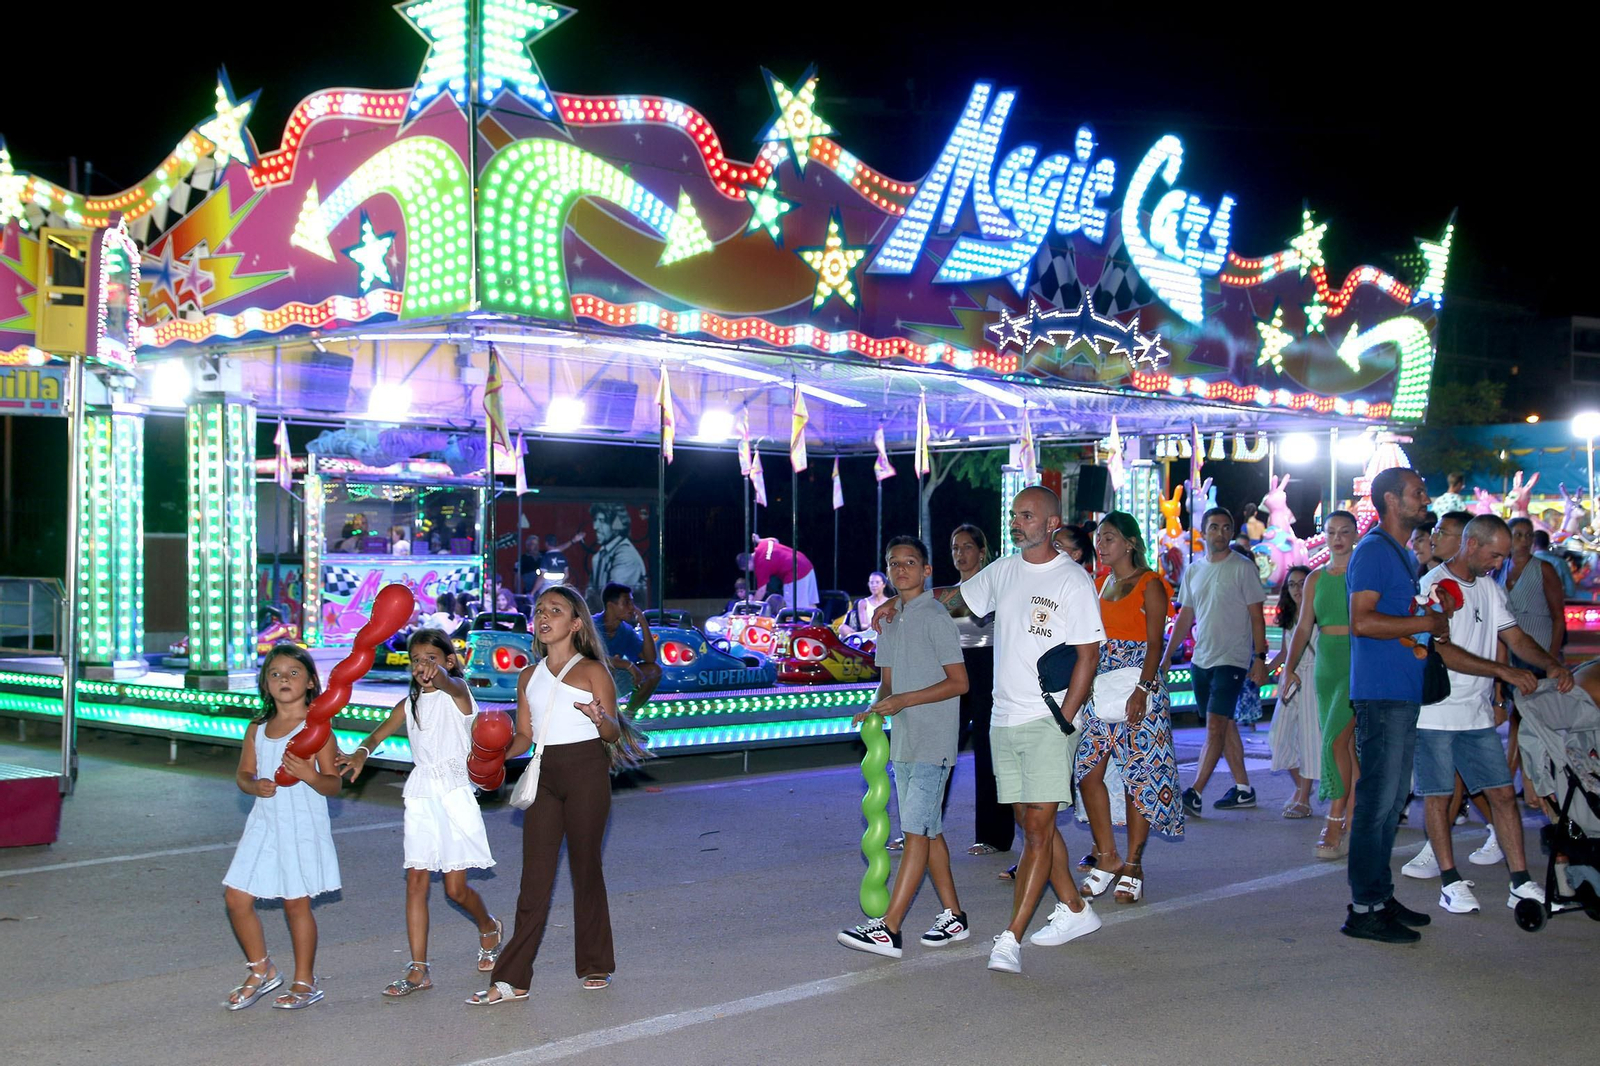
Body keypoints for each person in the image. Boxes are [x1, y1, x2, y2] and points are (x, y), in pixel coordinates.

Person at [881, 487, 1103, 974]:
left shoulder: (1073, 581)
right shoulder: (1003, 569)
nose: (1017, 522)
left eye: (1026, 515)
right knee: (1028, 821)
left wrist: (1066, 716)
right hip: (1004, 718)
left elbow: (1089, 655)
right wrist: (900, 604)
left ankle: (1010, 938)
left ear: (1050, 523)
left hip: (1048, 720)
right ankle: (1078, 910)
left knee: (1039, 830)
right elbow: (954, 600)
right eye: (1013, 515)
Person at [469, 587, 650, 1003]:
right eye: (539, 610)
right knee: (534, 879)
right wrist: (487, 753)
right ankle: (511, 979)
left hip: (586, 771)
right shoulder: (528, 676)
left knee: (586, 870)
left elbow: (610, 733)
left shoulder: (592, 671)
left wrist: (601, 718)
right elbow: (525, 737)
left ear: (575, 624)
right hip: (545, 775)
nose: (544, 616)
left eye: (556, 610)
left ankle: (595, 963)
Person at [1408, 515, 1568, 914]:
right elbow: (1440, 650)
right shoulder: (1433, 586)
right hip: (1436, 713)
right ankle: (1449, 882)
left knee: (1501, 793)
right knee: (1438, 797)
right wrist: (1502, 671)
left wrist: (1550, 664)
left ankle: (1520, 881)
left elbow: (1514, 637)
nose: (1500, 562)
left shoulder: (1489, 588)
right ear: (1473, 544)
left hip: (1476, 713)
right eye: (1496, 554)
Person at [336, 630, 501, 995]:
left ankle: (489, 926)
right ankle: (419, 970)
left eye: (431, 658)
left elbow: (448, 683)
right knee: (416, 881)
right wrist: (361, 752)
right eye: (416, 660)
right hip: (423, 793)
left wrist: (438, 675)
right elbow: (377, 735)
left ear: (449, 661)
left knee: (456, 890)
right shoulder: (408, 704)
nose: (423, 666)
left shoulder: (458, 692)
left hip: (454, 792)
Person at [837, 536, 970, 957]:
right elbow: (889, 683)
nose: (901, 569)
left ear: (927, 570)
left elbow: (959, 682)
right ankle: (954, 915)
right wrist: (875, 707)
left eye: (910, 562)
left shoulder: (935, 617)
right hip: (904, 741)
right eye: (894, 563)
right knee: (928, 829)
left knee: (915, 831)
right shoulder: (889, 620)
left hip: (933, 738)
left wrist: (901, 702)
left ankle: (890, 929)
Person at [1340, 466, 1446, 943]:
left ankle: (1380, 896)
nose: (1425, 500)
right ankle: (1364, 908)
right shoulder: (1373, 551)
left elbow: (1396, 620)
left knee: (1390, 804)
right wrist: (1424, 625)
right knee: (1377, 804)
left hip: (1400, 691)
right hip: (1381, 694)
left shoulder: (1400, 554)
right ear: (1390, 500)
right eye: (1417, 493)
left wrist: (1424, 621)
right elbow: (1362, 622)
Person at [221, 645, 342, 1010]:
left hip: (301, 824)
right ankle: (262, 969)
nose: (284, 679)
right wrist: (253, 784)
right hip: (264, 822)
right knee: (236, 897)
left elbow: (333, 784)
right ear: (265, 683)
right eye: (275, 673)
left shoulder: (317, 729)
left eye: (293, 672)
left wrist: (310, 775)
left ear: (309, 682)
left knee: (295, 904)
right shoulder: (258, 727)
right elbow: (244, 772)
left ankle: (305, 980)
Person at [1074, 512, 1183, 905]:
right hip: (1103, 686)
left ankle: (1133, 864)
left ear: (1131, 543)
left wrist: (1143, 688)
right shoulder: (1103, 584)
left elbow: (1155, 644)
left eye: (1110, 538)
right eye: (1100, 539)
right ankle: (1107, 856)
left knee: (1140, 777)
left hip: (1140, 684)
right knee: (1087, 772)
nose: (1101, 545)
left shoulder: (1150, 584)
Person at [1161, 507, 1268, 815]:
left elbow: (1257, 618)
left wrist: (1259, 658)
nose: (1219, 533)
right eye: (1214, 527)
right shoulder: (1194, 569)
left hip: (1232, 659)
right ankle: (1244, 789)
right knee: (1224, 724)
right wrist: (1168, 656)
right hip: (1202, 659)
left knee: (1215, 726)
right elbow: (1186, 616)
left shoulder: (1243, 567)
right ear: (1204, 532)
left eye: (1225, 527)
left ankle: (1194, 792)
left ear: (1231, 532)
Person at [932, 523, 1011, 855]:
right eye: (954, 547)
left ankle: (993, 836)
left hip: (989, 670)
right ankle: (923, 828)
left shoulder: (994, 589)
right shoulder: (944, 595)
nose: (960, 554)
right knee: (938, 752)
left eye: (967, 547)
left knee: (988, 753)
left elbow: (968, 606)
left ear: (982, 551)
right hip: (953, 672)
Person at [1283, 512, 1358, 856]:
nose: (1337, 538)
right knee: (1346, 749)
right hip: (1326, 666)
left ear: (1356, 534)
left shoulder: (1362, 574)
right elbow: (1302, 628)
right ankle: (1354, 820)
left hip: (1357, 661)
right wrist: (1288, 667)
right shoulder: (1314, 578)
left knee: (1333, 743)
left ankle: (1335, 819)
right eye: (1331, 532)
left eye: (1344, 532)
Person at [1267, 566, 1318, 818]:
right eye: (1292, 585)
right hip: (1290, 679)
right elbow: (1286, 651)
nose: (1297, 589)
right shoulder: (1290, 616)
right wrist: (1267, 668)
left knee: (1308, 738)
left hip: (1312, 677)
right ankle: (1301, 789)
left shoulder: (1319, 614)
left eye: (1301, 583)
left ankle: (1303, 797)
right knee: (1280, 736)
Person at [1502, 517, 1566, 670]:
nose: (1524, 540)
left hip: (1539, 647)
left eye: (1529, 535)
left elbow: (1558, 617)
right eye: (1518, 535)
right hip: (1507, 649)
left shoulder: (1543, 569)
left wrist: (1552, 657)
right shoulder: (1499, 568)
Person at [592, 583, 661, 713]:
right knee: (604, 669)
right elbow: (591, 658)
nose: (632, 608)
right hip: (587, 682)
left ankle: (628, 720)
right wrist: (627, 664)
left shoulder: (625, 631)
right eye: (627, 603)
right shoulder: (592, 625)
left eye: (632, 603)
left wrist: (644, 623)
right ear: (610, 605)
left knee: (654, 671)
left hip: (611, 679)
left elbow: (650, 658)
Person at [585, 503, 648, 611]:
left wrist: (593, 599)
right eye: (595, 520)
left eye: (602, 521)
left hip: (625, 623)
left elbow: (613, 600)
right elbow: (589, 596)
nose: (595, 527)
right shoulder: (599, 556)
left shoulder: (626, 555)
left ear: (615, 526)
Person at [741, 535, 820, 610]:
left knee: (794, 609)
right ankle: (817, 623)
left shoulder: (760, 565)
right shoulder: (763, 544)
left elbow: (761, 591)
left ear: (748, 563)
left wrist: (751, 604)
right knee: (809, 604)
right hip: (806, 563)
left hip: (795, 573)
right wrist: (758, 540)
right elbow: (775, 540)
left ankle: (796, 624)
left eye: (747, 569)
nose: (750, 571)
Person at [1533, 528, 1578, 599]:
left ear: (1532, 544)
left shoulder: (1524, 563)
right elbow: (1570, 591)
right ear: (1548, 544)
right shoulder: (1561, 563)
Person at [841, 572, 889, 637]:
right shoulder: (863, 602)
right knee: (843, 628)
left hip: (885, 633)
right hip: (868, 634)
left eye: (877, 582)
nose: (874, 585)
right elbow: (863, 626)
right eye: (871, 583)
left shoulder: (890, 602)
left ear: (884, 584)